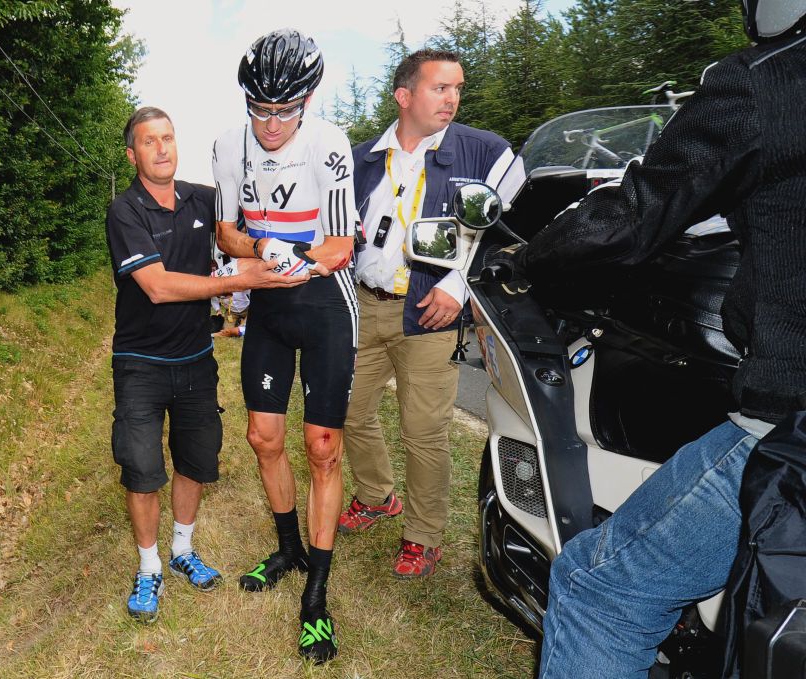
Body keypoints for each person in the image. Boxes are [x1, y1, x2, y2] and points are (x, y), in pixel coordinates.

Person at [481, 3, 806, 675]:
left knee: (597, 587)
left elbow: (634, 215)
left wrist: (526, 260)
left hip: (791, 429)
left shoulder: (770, 81)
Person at [105, 106, 309, 624]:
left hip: (196, 358)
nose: (162, 149)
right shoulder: (125, 211)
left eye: (168, 138)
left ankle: (181, 551)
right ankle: (148, 567)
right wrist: (241, 282)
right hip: (140, 363)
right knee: (142, 468)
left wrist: (277, 252)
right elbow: (158, 287)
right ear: (133, 154)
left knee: (196, 461)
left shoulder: (203, 198)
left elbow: (247, 222)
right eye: (149, 142)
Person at [211, 29, 359, 663]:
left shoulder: (328, 144)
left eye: (284, 112)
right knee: (263, 438)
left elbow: (341, 245)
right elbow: (225, 229)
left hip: (325, 302)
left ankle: (317, 597)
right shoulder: (227, 143)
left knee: (321, 445)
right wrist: (258, 248)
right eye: (260, 110)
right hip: (268, 303)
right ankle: (288, 548)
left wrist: (296, 254)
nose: (271, 124)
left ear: (307, 101)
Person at [338, 49, 515, 578]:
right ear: (404, 95)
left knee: (423, 431)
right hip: (365, 305)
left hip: (430, 313)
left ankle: (422, 535)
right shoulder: (362, 156)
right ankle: (375, 495)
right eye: (440, 88)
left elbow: (503, 233)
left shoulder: (487, 152)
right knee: (346, 410)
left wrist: (457, 288)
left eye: (457, 88)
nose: (453, 98)